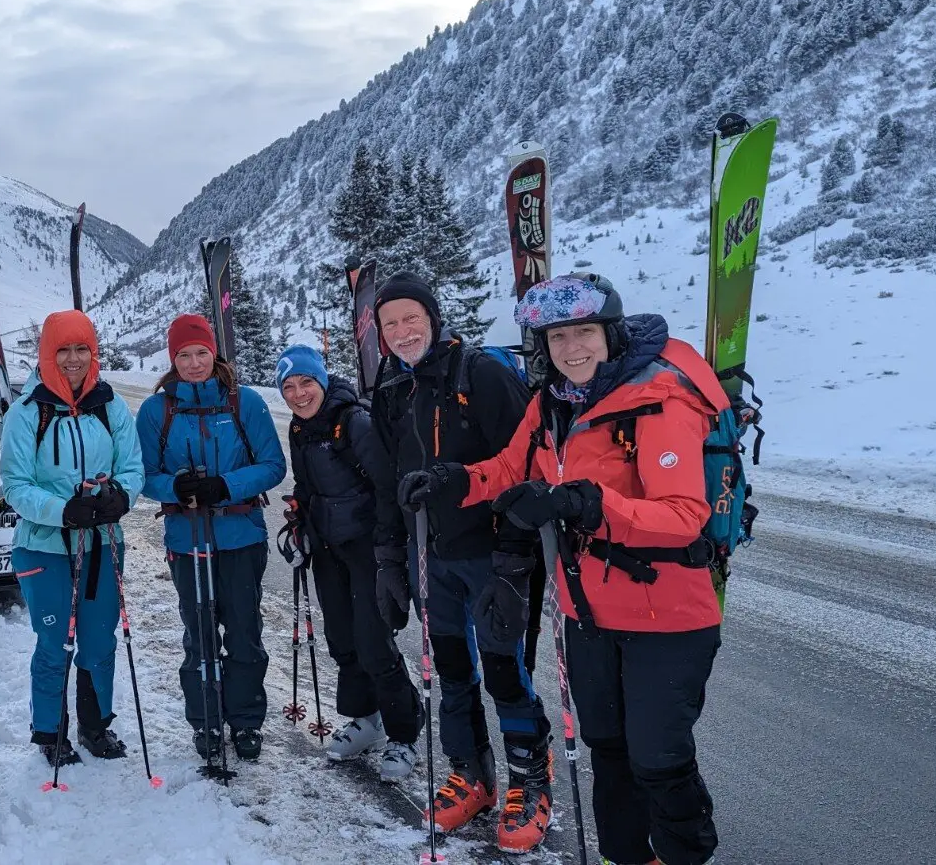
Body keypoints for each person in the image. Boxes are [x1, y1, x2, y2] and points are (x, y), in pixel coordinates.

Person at [405, 273, 726, 865]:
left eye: (583, 332)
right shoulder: (551, 405)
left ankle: (685, 855)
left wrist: (587, 503)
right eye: (557, 338)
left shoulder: (659, 399)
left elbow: (683, 515)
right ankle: (626, 856)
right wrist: (456, 481)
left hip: (670, 615)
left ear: (610, 333)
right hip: (587, 612)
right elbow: (507, 468)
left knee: (657, 756)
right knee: (606, 747)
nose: (571, 348)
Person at [368, 275, 553, 852]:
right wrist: (389, 558)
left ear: (433, 316)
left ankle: (530, 777)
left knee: (503, 670)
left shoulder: (483, 374)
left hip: (492, 553)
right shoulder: (391, 391)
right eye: (390, 323)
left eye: (410, 318)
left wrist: (514, 559)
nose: (402, 332)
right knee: (451, 668)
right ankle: (471, 773)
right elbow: (388, 483)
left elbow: (529, 466)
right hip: (432, 556)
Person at [137, 314, 286, 762]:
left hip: (241, 536)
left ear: (214, 353)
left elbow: (273, 465)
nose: (195, 362)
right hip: (187, 540)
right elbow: (143, 476)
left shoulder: (245, 403)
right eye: (184, 355)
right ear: (172, 359)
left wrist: (226, 486)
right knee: (198, 633)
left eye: (202, 352)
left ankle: (245, 722)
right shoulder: (156, 410)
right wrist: (174, 488)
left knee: (243, 632)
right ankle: (205, 722)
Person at [0, 310, 144, 765]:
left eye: (82, 348)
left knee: (100, 640)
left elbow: (133, 466)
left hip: (102, 542)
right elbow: (16, 486)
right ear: (47, 353)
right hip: (44, 546)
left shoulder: (111, 405)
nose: (74, 358)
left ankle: (95, 725)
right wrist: (63, 510)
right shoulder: (27, 413)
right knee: (54, 641)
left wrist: (119, 497)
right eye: (63, 349)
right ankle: (50, 732)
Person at [275, 345, 424, 780]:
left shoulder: (354, 420)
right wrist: (299, 516)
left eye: (305, 383)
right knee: (341, 638)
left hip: (367, 546)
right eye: (289, 387)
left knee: (375, 642)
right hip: (327, 546)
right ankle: (366, 719)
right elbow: (305, 483)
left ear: (321, 380)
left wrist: (388, 550)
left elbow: (385, 485)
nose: (299, 394)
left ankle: (403, 734)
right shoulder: (300, 430)